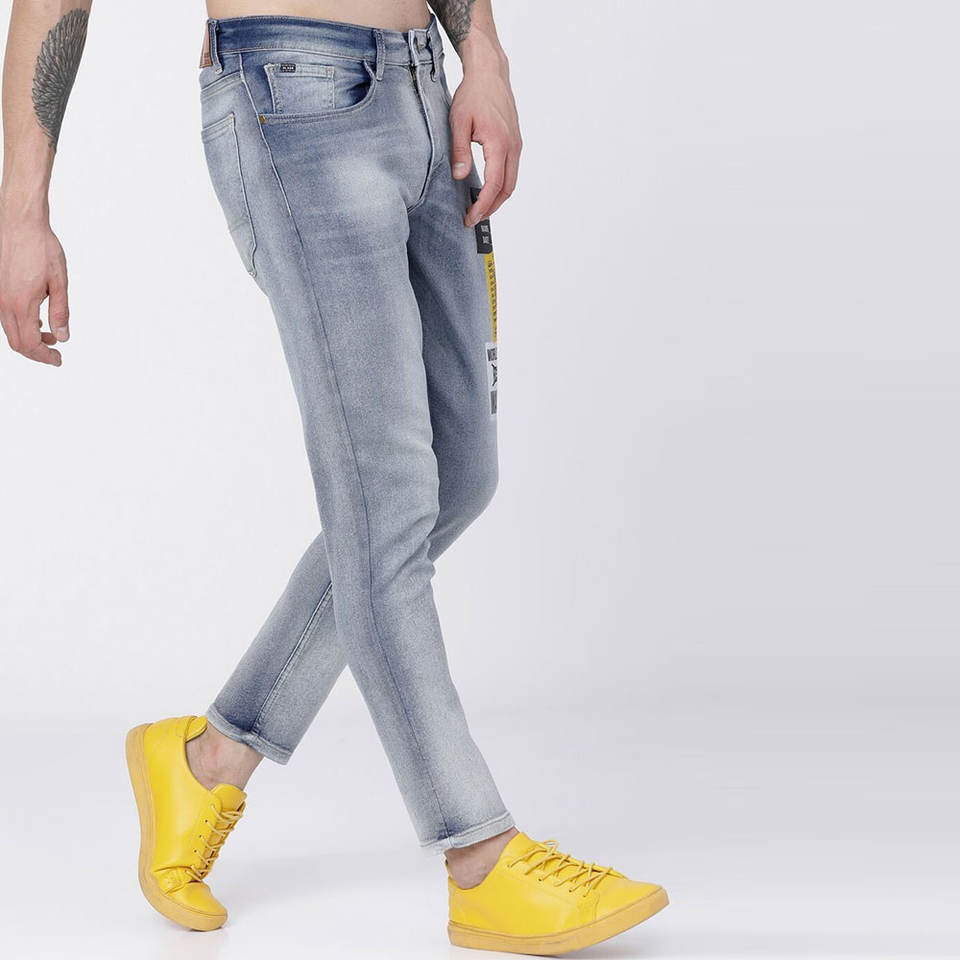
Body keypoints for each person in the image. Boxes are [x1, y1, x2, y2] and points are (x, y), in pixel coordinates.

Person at [0, 0, 668, 953]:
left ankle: (206, 761)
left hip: (421, 87)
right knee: (386, 501)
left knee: (457, 476)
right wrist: (22, 212)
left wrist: (483, 54)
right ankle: (479, 857)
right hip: (294, 95)